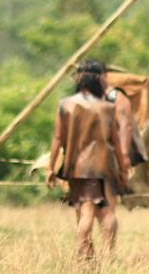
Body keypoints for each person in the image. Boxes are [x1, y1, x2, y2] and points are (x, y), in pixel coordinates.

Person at [46, 69, 129, 259]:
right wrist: (123, 169)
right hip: (104, 165)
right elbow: (115, 142)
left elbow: (58, 138)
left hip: (75, 167)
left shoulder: (65, 105)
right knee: (106, 211)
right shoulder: (107, 107)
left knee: (85, 211)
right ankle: (106, 254)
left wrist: (51, 168)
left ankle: (83, 254)